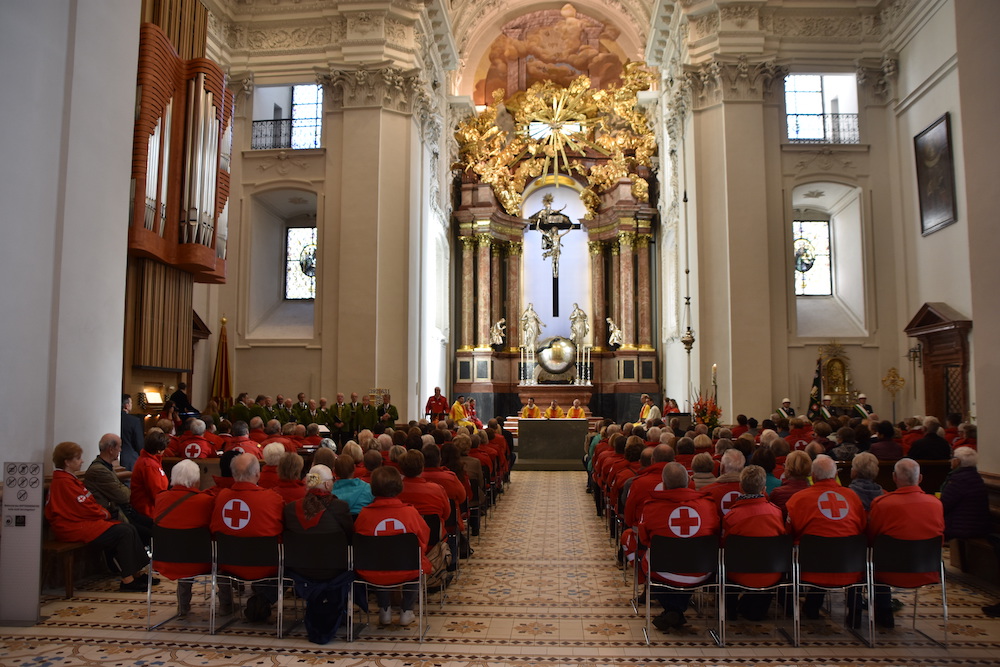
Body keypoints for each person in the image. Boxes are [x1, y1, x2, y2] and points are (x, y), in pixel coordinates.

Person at [45, 441, 153, 592]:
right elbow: (82, 507)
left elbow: (86, 502)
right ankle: (127, 581)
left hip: (80, 522)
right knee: (124, 532)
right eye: (77, 458)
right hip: (72, 527)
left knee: (129, 528)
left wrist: (101, 512)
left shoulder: (68, 479)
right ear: (67, 462)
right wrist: (104, 513)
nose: (82, 461)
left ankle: (136, 573)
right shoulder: (63, 482)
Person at [637, 462, 720, 631]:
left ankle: (673, 610)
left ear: (664, 484)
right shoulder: (708, 504)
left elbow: (644, 540)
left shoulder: (652, 506)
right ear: (688, 480)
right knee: (681, 565)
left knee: (643, 554)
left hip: (663, 569)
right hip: (701, 570)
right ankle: (675, 610)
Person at [785, 455, 867, 620]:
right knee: (841, 545)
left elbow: (789, 533)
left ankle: (809, 607)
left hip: (811, 566)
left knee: (817, 548)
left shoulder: (799, 499)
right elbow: (862, 528)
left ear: (813, 476)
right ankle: (855, 612)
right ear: (835, 474)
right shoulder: (853, 497)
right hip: (849, 565)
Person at [868, 458, 945, 628]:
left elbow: (873, 538)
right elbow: (940, 538)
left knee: (876, 558)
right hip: (927, 568)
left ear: (894, 477)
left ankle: (884, 612)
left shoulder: (883, 504)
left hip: (887, 572)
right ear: (920, 479)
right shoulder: (936, 504)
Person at [283, 464, 355, 644]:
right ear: (329, 485)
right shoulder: (340, 507)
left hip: (300, 569)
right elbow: (350, 537)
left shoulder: (291, 509)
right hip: (334, 569)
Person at [210, 453, 286, 621]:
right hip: (266, 567)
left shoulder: (221, 498)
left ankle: (234, 603)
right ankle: (262, 599)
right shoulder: (272, 499)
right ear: (257, 474)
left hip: (228, 565)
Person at [354, 466, 432, 627]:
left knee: (380, 561)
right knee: (417, 561)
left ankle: (384, 610)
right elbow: (424, 539)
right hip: (407, 569)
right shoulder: (410, 513)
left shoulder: (364, 514)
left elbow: (359, 544)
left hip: (372, 570)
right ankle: (407, 611)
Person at [153, 459, 218, 617]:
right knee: (217, 550)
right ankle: (226, 605)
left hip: (165, 559)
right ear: (196, 480)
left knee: (183, 545)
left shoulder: (160, 499)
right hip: (200, 562)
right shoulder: (205, 501)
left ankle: (183, 605)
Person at [722, 465, 787, 621]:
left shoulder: (732, 517)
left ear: (740, 487)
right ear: (764, 488)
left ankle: (730, 611)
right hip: (771, 573)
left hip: (739, 573)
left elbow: (725, 548)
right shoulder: (776, 513)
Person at [84, 433, 154, 545]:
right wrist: (123, 488)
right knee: (149, 533)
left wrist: (123, 488)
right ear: (111, 449)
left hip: (125, 511)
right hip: (115, 515)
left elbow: (122, 490)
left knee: (156, 524)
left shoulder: (106, 466)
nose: (121, 450)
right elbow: (124, 496)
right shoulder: (99, 470)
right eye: (119, 447)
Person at [940, 446, 991, 542]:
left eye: (952, 458)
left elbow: (944, 505)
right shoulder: (975, 477)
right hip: (976, 526)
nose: (950, 461)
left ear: (957, 462)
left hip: (961, 528)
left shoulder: (959, 480)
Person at [131, 430, 170, 520]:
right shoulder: (149, 465)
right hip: (148, 511)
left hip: (152, 509)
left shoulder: (151, 461)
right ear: (159, 450)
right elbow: (156, 492)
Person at [120, 394, 144, 470]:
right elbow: (139, 442)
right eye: (131, 403)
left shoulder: (113, 418)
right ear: (126, 405)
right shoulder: (134, 421)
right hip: (130, 457)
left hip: (113, 456)